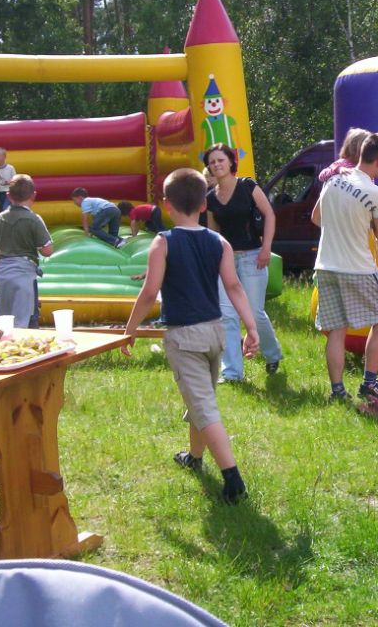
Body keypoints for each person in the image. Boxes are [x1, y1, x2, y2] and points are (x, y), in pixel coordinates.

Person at [121, 168, 258, 504]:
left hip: (185, 337)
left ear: (167, 205)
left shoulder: (163, 242)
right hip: (214, 333)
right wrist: (251, 327)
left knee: (204, 406)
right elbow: (234, 286)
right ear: (204, 205)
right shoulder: (220, 242)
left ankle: (233, 479)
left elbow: (149, 292)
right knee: (201, 399)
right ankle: (195, 457)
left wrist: (130, 330)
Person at [312, 132, 378, 402]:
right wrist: (364, 222)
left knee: (336, 329)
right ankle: (369, 383)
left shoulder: (333, 179)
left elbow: (316, 218)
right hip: (358, 267)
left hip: (325, 265)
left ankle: (337, 391)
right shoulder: (375, 192)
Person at [203, 143, 283, 381]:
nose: (216, 164)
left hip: (253, 256)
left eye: (220, 160)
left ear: (231, 162)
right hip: (226, 260)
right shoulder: (210, 198)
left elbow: (269, 214)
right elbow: (213, 233)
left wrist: (266, 248)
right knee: (227, 316)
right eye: (212, 162)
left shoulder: (248, 186)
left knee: (255, 313)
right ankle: (232, 372)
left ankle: (272, 354)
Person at [0, 174, 53, 328]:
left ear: (8, 196)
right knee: (27, 316)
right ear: (34, 196)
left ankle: (1, 336)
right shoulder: (34, 219)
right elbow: (47, 250)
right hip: (24, 272)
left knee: (3, 315)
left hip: (2, 273)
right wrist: (37, 244)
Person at [0, 147, 16, 212]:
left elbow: (15, 182)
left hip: (9, 193)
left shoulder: (10, 168)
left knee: (5, 209)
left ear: (4, 157)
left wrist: (8, 183)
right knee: (1, 212)